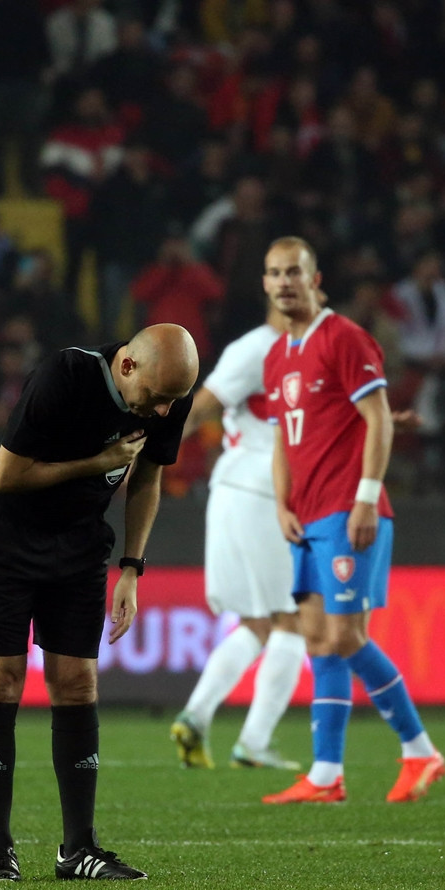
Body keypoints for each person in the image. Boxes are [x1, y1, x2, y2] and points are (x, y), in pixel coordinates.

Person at [0, 323, 199, 881]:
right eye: (157, 398)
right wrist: (97, 463)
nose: (163, 413)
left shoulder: (170, 392)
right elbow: (6, 475)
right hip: (6, 539)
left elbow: (147, 479)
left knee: (76, 681)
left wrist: (133, 569)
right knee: (1, 680)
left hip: (80, 542)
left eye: (174, 402)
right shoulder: (65, 377)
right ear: (128, 367)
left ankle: (79, 849)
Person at [259, 236, 445, 805]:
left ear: (316, 281)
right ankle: (325, 775)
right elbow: (282, 441)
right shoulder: (276, 356)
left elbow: (379, 419)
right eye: (274, 273)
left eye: (295, 272)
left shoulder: (344, 338)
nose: (284, 282)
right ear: (264, 285)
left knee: (345, 634)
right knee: (318, 638)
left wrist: (366, 498)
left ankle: (419, 751)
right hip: (306, 514)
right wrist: (281, 504)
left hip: (348, 508)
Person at [169, 301, 306, 772]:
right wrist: (150, 456)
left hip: (236, 487)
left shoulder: (298, 348)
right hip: (263, 490)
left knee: (257, 622)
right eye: (280, 275)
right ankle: (254, 741)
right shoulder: (257, 348)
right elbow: (202, 405)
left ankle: (196, 716)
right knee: (295, 619)